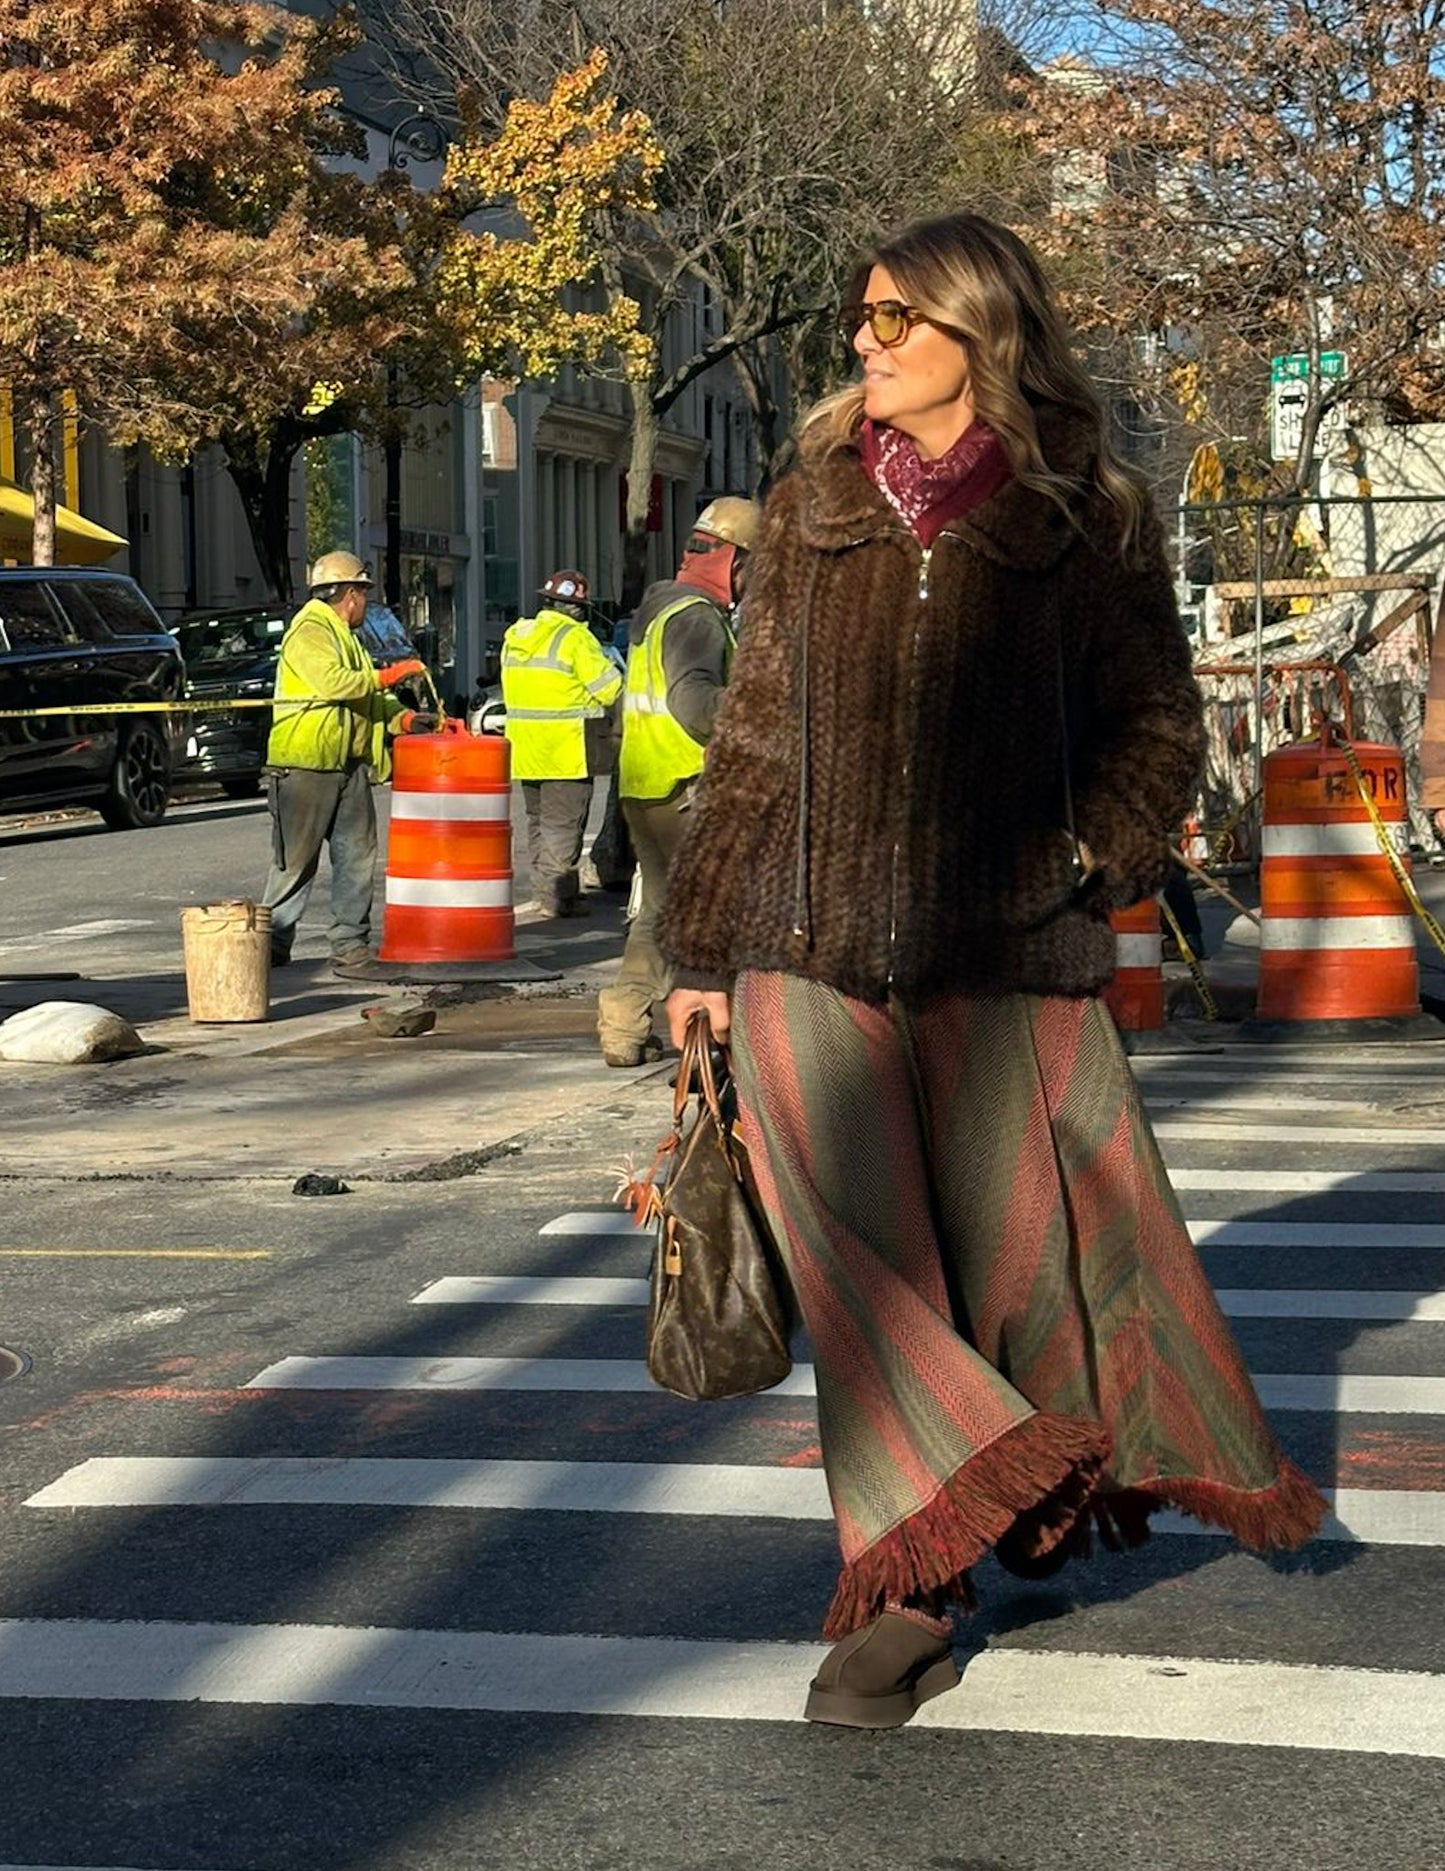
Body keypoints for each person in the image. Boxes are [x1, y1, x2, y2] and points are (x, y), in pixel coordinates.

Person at [657, 213, 1327, 1729]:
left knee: (1021, 1273)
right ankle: (904, 1585)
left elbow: (1158, 729)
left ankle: (995, 1494)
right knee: (860, 1276)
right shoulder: (811, 505)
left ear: (980, 329)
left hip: (1009, 955)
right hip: (805, 951)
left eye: (894, 316)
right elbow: (750, 752)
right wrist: (699, 949)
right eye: (861, 315)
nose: (864, 340)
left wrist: (1085, 857)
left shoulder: (1086, 514)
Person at [596, 496, 759, 1067]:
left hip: (647, 786)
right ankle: (717, 1039)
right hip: (687, 790)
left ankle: (623, 1024)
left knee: (662, 912)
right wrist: (762, 701)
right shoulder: (696, 618)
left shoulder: (659, 609)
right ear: (733, 561)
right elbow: (694, 703)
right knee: (716, 915)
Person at [261, 551, 431, 975]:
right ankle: (269, 944)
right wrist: (391, 674)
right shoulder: (310, 631)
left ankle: (351, 945)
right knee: (296, 862)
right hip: (306, 764)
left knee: (357, 856)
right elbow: (335, 684)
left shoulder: (346, 636)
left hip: (348, 763)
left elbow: (367, 696)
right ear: (350, 594)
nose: (365, 604)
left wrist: (404, 719)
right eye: (363, 594)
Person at [501, 570, 622, 918]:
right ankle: (558, 898)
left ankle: (544, 891)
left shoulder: (517, 636)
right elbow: (610, 689)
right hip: (567, 749)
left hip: (525, 749)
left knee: (537, 823)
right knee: (563, 825)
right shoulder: (576, 638)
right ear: (579, 608)